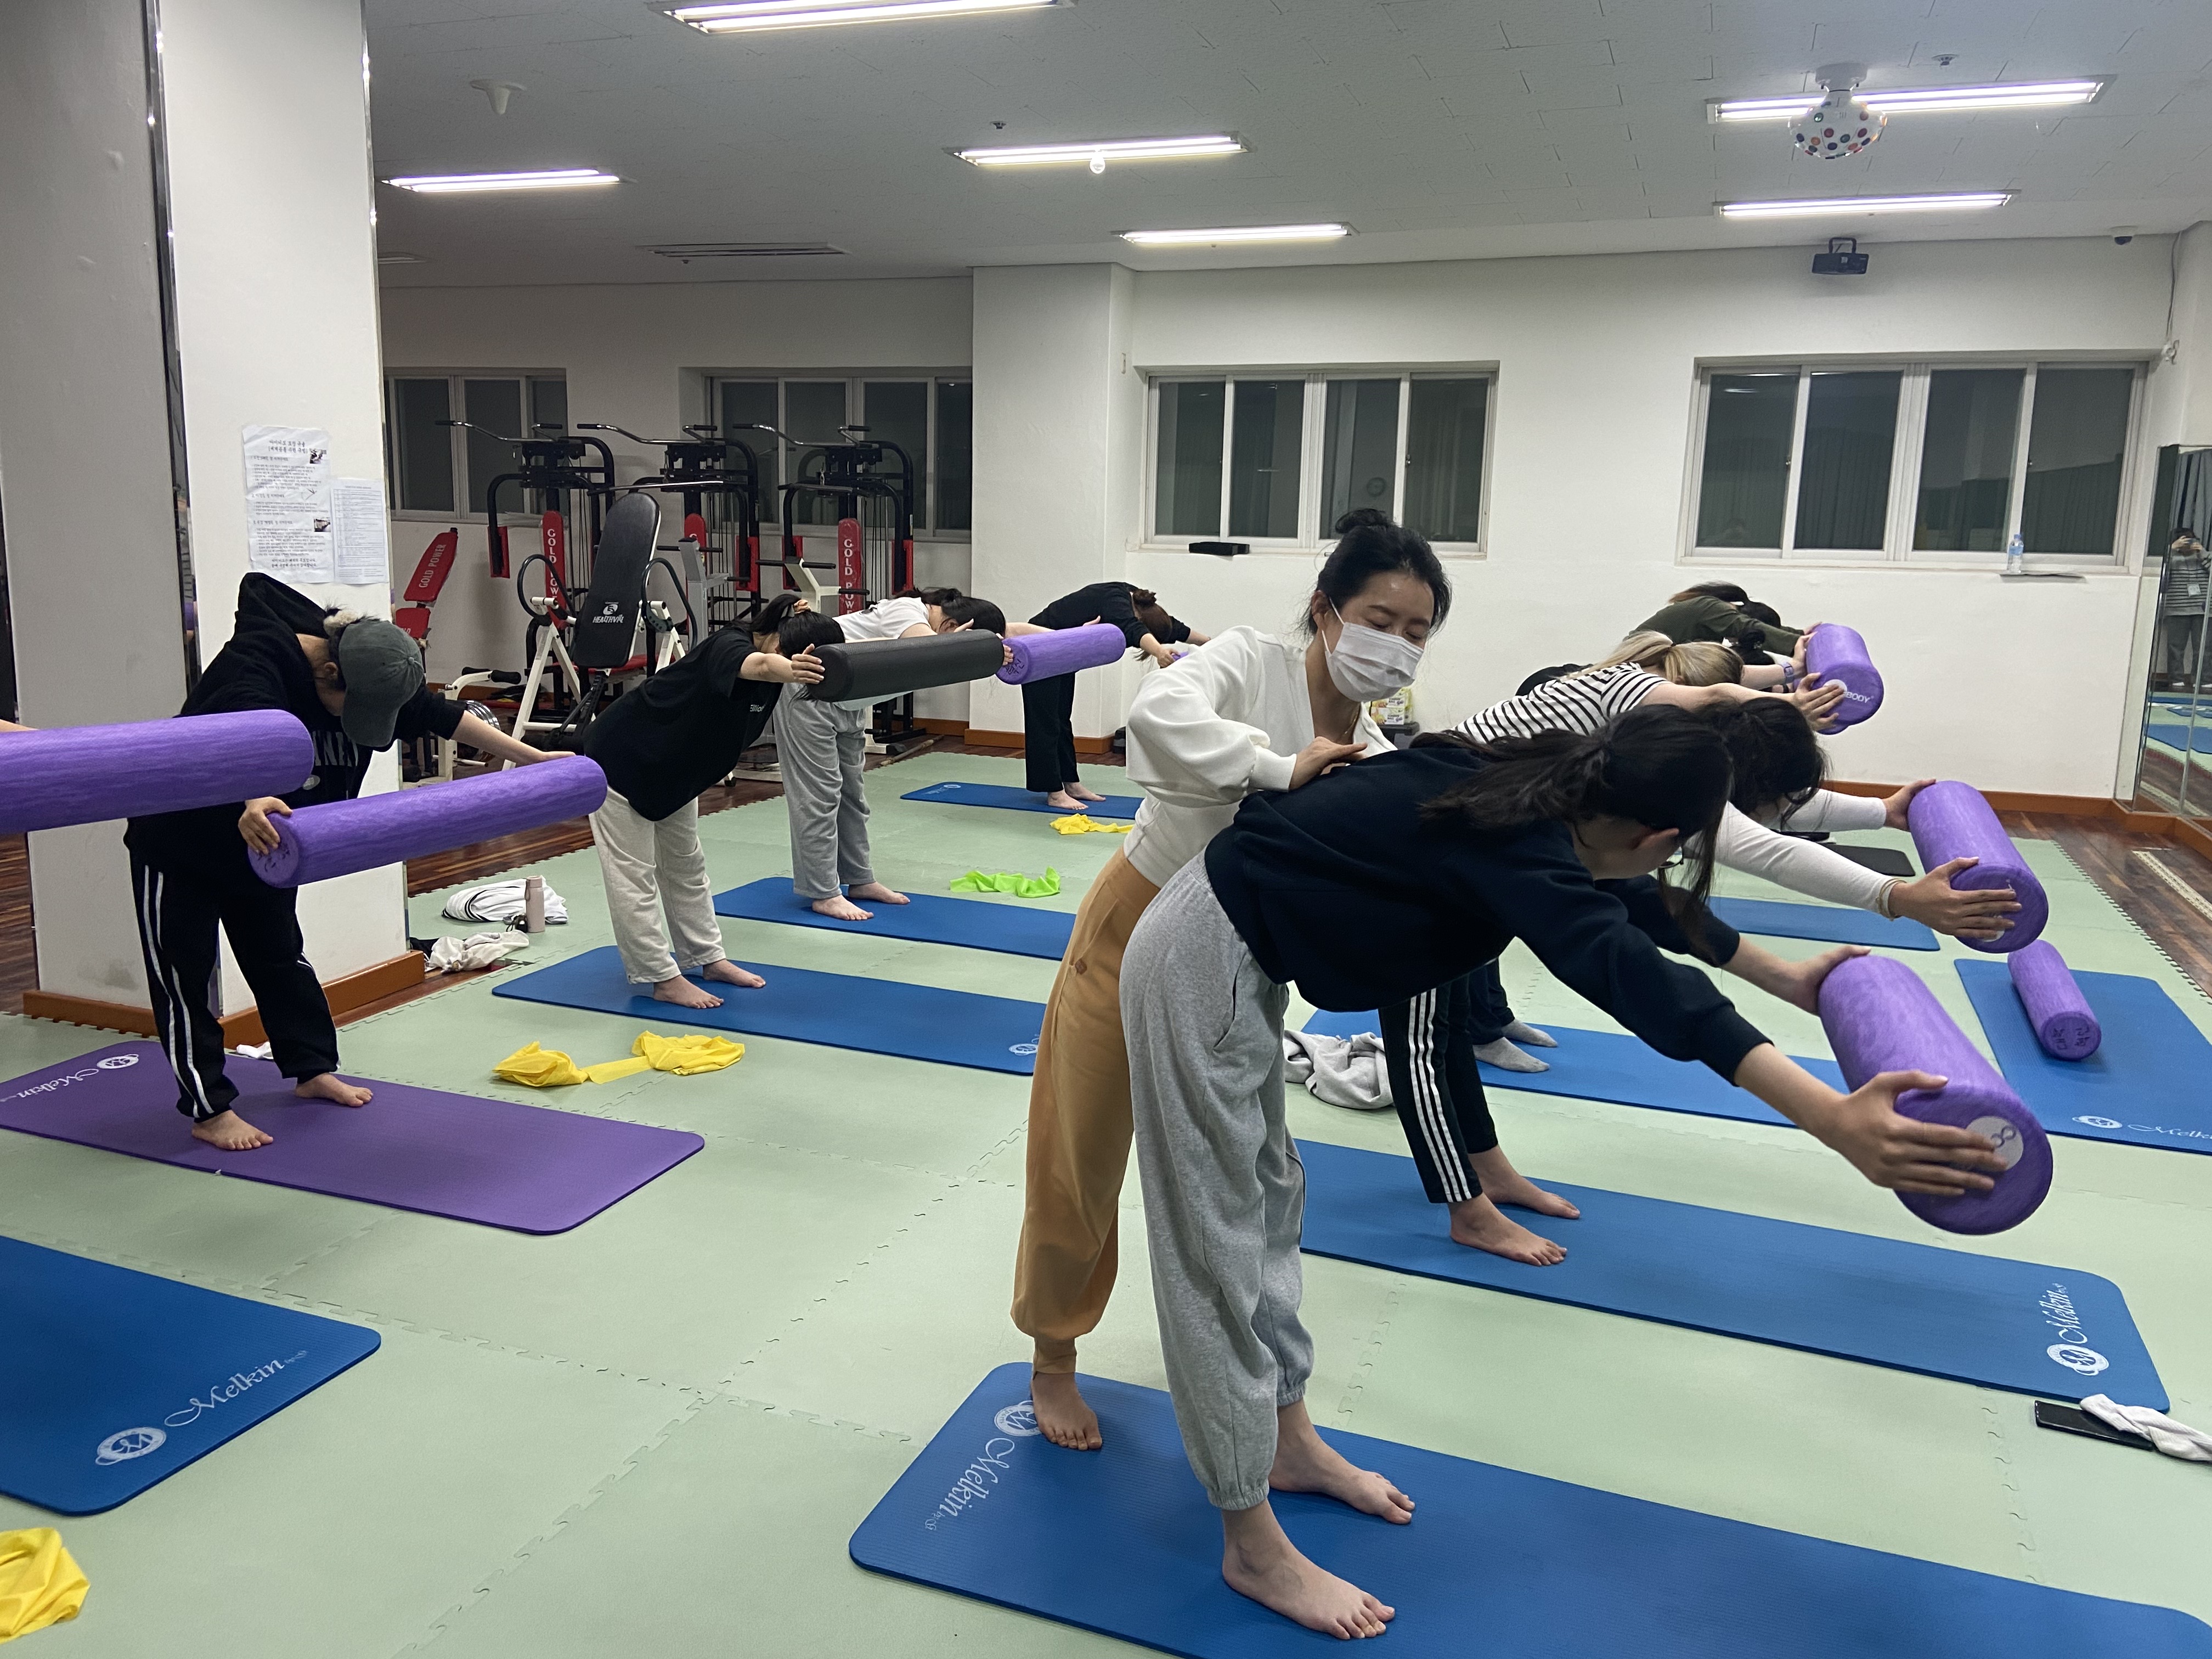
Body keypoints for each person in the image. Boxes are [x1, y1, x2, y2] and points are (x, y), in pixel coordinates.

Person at [1120, 707, 2007, 1639]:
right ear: (1658, 836)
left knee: (1271, 1199)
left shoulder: (1552, 788)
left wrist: (1780, 975)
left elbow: (1631, 905)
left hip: (1238, 949)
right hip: (1198, 960)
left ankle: (1288, 1442)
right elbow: (1625, 966)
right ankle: (1251, 1542)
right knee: (1217, 1242)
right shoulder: (1521, 836)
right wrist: (1827, 1115)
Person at [1012, 509, 1445, 1452]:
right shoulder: (1250, 662)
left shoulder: (1375, 755)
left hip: (1235, 968)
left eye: (1417, 631)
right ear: (1327, 610)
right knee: (1081, 1151)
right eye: (1382, 619)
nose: (1398, 644)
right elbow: (1156, 721)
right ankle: (1052, 1353)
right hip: (1136, 922)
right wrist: (1279, 767)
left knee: (1254, 1184)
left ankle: (1272, 1404)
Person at [123, 573, 548, 1152]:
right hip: (182, 841)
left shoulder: (368, 665)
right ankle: (208, 1109)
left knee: (280, 957)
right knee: (184, 977)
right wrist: (253, 797)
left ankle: (311, 1070)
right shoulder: (256, 664)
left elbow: (438, 714)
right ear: (327, 673)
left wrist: (533, 758)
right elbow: (244, 729)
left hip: (265, 846)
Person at [578, 593, 825, 1011]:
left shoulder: (774, 669)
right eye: (791, 659)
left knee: (687, 866)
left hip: (677, 769)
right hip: (621, 759)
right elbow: (763, 666)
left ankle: (707, 958)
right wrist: (790, 667)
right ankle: (661, 977)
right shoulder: (730, 645)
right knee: (633, 875)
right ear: (779, 642)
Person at [776, 586, 1012, 922]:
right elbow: (927, 649)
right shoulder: (908, 611)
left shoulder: (936, 626)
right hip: (809, 690)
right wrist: (974, 651)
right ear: (953, 627)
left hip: (851, 698)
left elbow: (1014, 631)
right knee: (819, 798)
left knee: (853, 795)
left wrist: (1073, 633)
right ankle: (823, 892)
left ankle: (860, 879)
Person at [1022, 583, 1210, 811]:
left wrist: (1208, 643)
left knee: (1061, 720)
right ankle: (1054, 793)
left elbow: (1173, 627)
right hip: (1038, 648)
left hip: (1063, 652)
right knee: (1045, 723)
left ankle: (1071, 784)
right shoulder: (1117, 600)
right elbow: (1132, 628)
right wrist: (1159, 651)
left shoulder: (1140, 602)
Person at [1635, 581, 1802, 658]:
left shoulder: (1715, 615)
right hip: (1639, 658)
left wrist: (1802, 634)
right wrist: (1799, 643)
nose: (1735, 641)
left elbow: (1767, 627)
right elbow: (1751, 627)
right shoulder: (1711, 608)